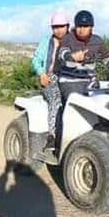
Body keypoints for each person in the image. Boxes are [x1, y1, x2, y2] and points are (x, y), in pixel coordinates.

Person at [56, 10, 109, 100]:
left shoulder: (97, 41)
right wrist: (72, 57)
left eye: (85, 26)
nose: (81, 29)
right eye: (79, 26)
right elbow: (62, 53)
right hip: (69, 82)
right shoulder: (68, 38)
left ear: (91, 27)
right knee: (77, 103)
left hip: (89, 82)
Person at [32, 12, 70, 149]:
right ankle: (52, 135)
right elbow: (36, 59)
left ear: (67, 26)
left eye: (61, 26)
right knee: (56, 100)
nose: (58, 30)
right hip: (51, 78)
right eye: (55, 27)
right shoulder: (46, 41)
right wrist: (42, 74)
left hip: (70, 78)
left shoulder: (73, 41)